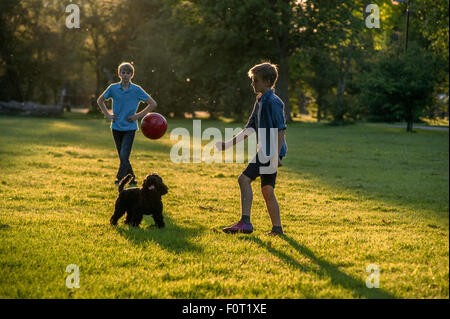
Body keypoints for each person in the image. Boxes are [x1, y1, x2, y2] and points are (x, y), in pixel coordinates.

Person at [216, 62, 287, 236]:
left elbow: (281, 128)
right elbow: (250, 128)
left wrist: (276, 156)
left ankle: (245, 222)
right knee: (267, 190)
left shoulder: (274, 102)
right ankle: (277, 229)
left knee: (244, 179)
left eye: (256, 80)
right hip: (266, 151)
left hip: (270, 152)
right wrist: (228, 144)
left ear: (268, 81)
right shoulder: (260, 100)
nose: (252, 84)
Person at [97, 62, 157, 186]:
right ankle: (132, 179)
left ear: (131, 75)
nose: (125, 75)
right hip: (116, 127)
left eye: (128, 73)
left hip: (130, 128)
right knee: (123, 157)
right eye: (123, 72)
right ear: (119, 74)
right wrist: (108, 114)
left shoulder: (136, 90)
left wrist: (137, 116)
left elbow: (153, 104)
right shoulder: (113, 88)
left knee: (124, 155)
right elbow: (100, 100)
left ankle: (119, 178)